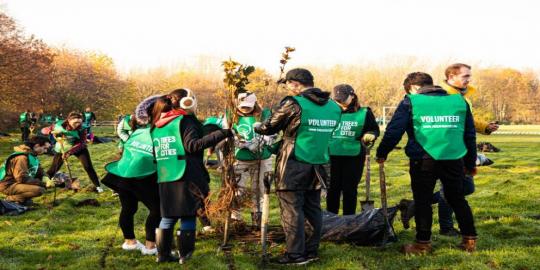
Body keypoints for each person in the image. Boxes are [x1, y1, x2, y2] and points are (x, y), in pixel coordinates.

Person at [376, 72, 478, 254]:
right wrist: (470, 164)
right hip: (453, 158)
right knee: (456, 198)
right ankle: (469, 240)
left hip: (423, 159)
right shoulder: (458, 101)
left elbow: (394, 130)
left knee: (422, 201)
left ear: (414, 88)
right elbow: (469, 135)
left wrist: (382, 152)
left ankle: (422, 244)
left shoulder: (411, 101)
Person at [254, 68, 341, 265]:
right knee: (313, 208)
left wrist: (257, 127)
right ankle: (311, 250)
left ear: (294, 83)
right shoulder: (333, 106)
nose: (287, 88)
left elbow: (269, 126)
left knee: (292, 210)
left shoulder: (293, 103)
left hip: (293, 163)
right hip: (319, 162)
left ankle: (295, 255)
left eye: (288, 84)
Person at [151, 92, 233, 264]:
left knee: (168, 216)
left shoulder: (158, 124)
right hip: (187, 174)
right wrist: (223, 133)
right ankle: (185, 256)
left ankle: (163, 255)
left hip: (166, 173)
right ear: (187, 102)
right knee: (188, 214)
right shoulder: (186, 120)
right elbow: (193, 145)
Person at [431, 63, 498, 235]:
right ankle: (446, 228)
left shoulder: (462, 95)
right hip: (450, 149)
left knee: (466, 188)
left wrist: (484, 127)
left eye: (469, 76)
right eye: (465, 76)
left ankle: (416, 204)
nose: (469, 79)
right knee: (452, 190)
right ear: (451, 77)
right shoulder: (443, 95)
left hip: (463, 149)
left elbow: (467, 120)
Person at [102, 95, 161, 256]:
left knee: (128, 208)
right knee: (157, 209)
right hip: (141, 177)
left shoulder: (138, 132)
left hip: (123, 174)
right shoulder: (159, 134)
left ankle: (130, 242)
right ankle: (150, 246)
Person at [327, 84, 380, 215]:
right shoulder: (328, 112)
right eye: (337, 100)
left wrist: (371, 134)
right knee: (332, 189)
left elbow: (373, 129)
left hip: (353, 156)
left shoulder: (364, 112)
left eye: (343, 99)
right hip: (331, 156)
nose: (340, 102)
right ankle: (331, 220)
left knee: (349, 190)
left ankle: (349, 220)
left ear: (352, 96)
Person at [230, 92, 274, 228]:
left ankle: (257, 220)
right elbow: (227, 132)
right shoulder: (232, 115)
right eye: (242, 106)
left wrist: (264, 139)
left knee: (259, 189)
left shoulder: (265, 114)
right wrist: (236, 141)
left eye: (248, 106)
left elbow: (273, 132)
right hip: (240, 159)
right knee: (238, 190)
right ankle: (236, 220)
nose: (244, 109)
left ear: (255, 103)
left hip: (261, 159)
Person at [46, 112, 103, 193]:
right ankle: (43, 183)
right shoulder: (58, 125)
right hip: (62, 147)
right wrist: (48, 131)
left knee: (88, 167)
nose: (77, 124)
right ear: (69, 120)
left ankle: (98, 186)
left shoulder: (82, 128)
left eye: (79, 122)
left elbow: (82, 143)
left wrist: (69, 152)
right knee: (54, 168)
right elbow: (43, 130)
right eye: (75, 122)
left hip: (78, 147)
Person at [0, 136, 51, 205]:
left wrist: (46, 177)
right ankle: (10, 199)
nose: (46, 151)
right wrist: (43, 184)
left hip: (15, 182)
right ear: (37, 146)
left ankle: (23, 200)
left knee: (40, 185)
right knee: (39, 190)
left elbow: (39, 170)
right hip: (7, 185)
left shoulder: (32, 155)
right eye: (45, 148)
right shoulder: (21, 157)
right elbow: (21, 178)